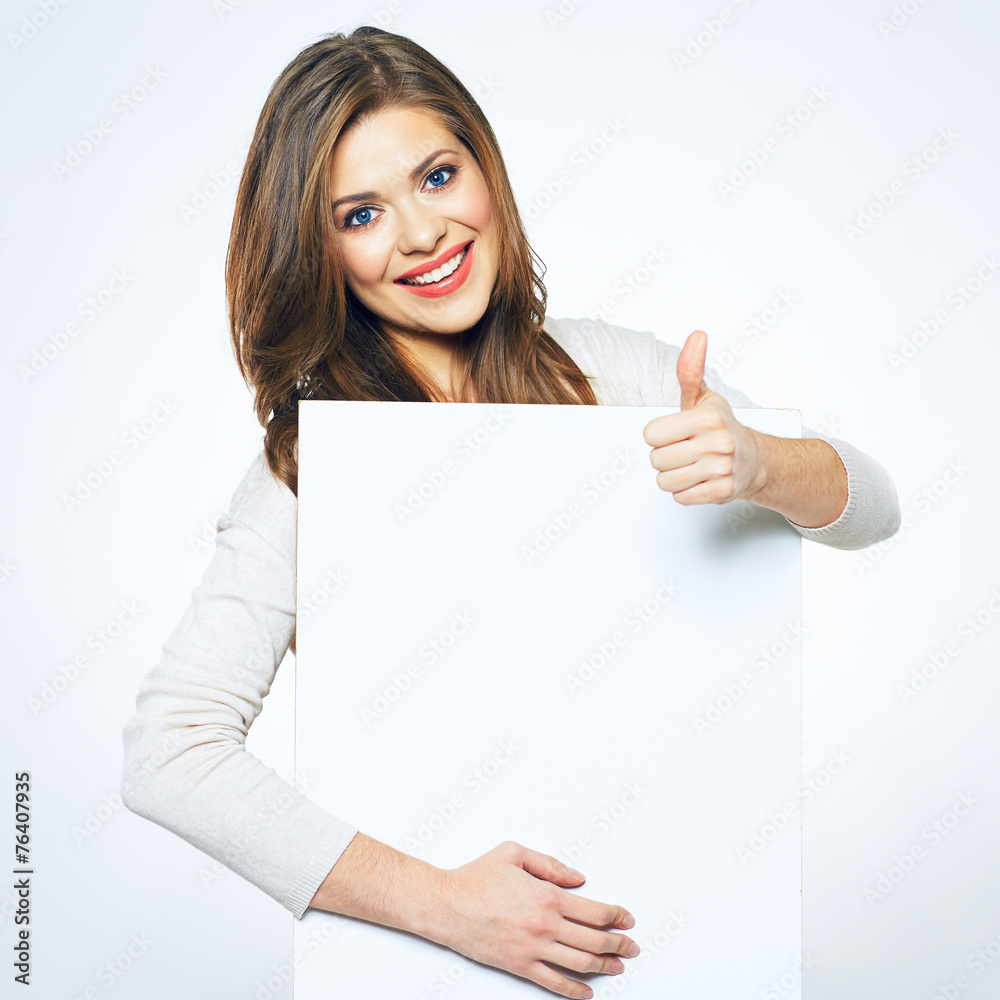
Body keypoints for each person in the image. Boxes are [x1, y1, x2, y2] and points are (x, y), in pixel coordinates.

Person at [120, 25, 900, 1000]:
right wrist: (448, 906)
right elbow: (171, 749)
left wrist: (760, 460)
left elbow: (874, 507)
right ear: (315, 248)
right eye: (360, 213)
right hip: (424, 972)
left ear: (484, 170)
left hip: (685, 951)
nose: (419, 232)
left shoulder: (607, 371)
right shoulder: (308, 464)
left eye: (438, 177)